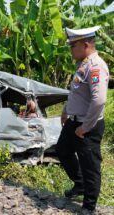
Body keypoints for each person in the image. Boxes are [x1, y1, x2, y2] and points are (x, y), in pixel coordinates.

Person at [55, 26, 109, 213]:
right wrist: (66, 111)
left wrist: (85, 127)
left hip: (88, 125)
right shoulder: (83, 64)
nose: (70, 49)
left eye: (73, 46)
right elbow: (77, 93)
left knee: (90, 165)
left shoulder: (96, 67)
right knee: (62, 151)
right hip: (74, 121)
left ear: (85, 45)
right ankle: (80, 184)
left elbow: (99, 99)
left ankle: (89, 206)